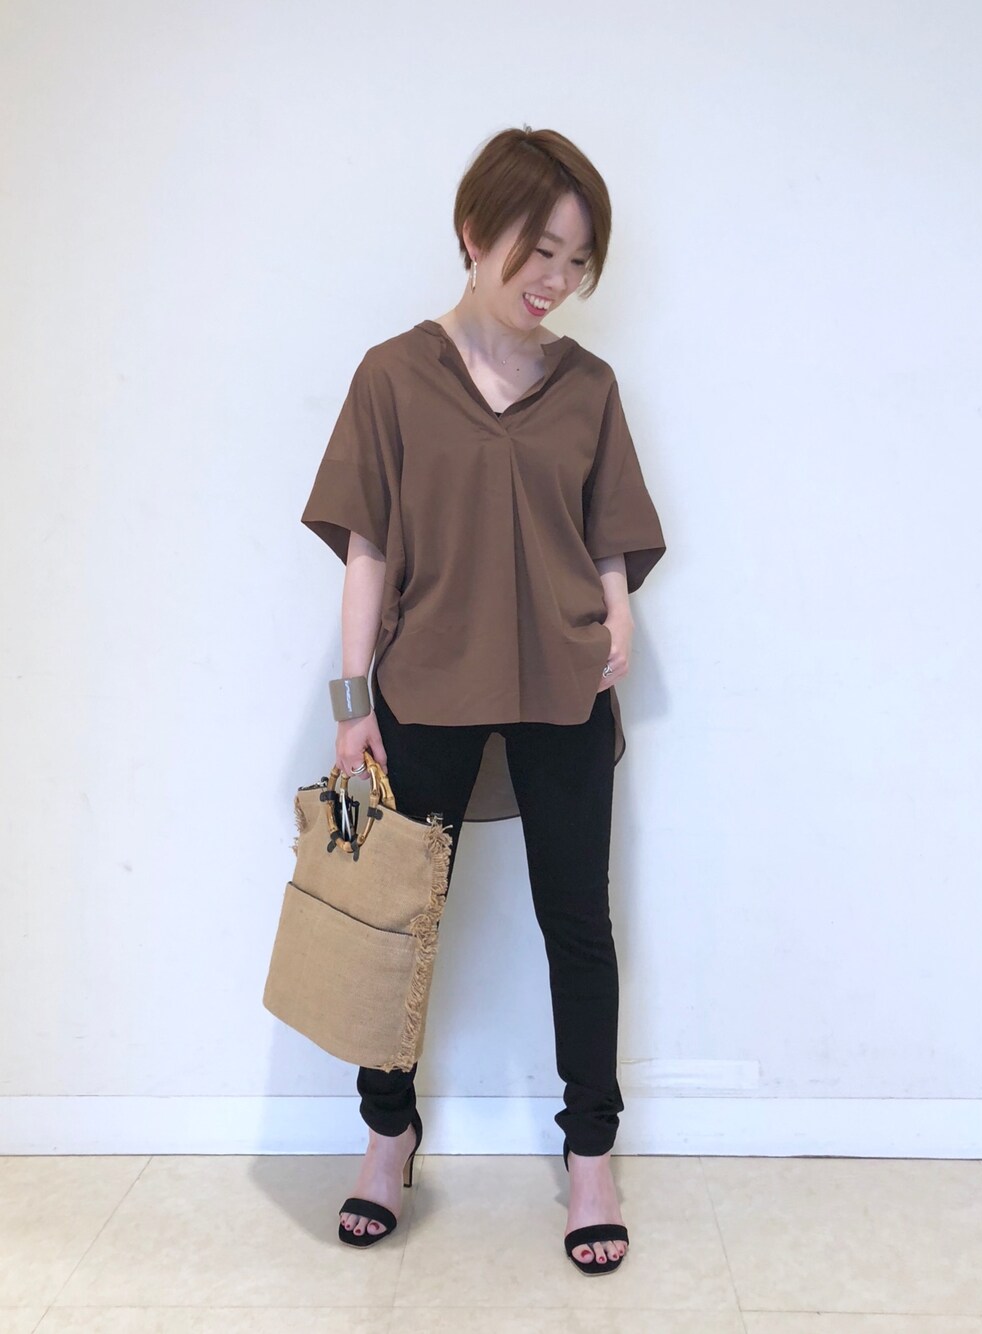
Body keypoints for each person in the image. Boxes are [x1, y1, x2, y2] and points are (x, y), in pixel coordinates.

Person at [300, 126, 666, 1275]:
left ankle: (591, 1154)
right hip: (424, 683)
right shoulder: (392, 376)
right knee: (393, 920)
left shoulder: (589, 387)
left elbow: (608, 529)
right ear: (473, 231)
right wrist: (351, 701)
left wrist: (619, 605)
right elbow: (366, 547)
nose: (555, 279)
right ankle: (387, 1134)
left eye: (576, 259)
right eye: (537, 249)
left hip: (564, 682)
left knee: (578, 923)